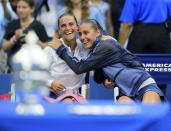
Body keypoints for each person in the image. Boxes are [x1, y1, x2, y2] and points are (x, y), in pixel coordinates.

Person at [49, 19, 164, 104]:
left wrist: (60, 48)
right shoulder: (95, 48)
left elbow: (79, 68)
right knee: (124, 115)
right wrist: (106, 79)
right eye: (80, 34)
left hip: (143, 86)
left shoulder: (107, 45)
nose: (82, 37)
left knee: (148, 114)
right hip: (125, 93)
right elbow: (98, 77)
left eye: (86, 33)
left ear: (98, 32)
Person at [44, 13, 89, 103]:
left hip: (76, 95)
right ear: (59, 31)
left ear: (77, 27)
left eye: (71, 24)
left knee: (68, 101)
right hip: (51, 92)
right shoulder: (50, 49)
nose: (68, 28)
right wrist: (51, 83)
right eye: (63, 26)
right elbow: (37, 73)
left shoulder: (86, 47)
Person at [2, 0, 50, 72]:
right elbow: (4, 48)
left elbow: (46, 48)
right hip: (13, 69)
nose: (21, 10)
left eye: (24, 7)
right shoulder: (12, 24)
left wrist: (34, 40)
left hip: (33, 68)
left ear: (32, 9)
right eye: (19, 7)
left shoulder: (38, 26)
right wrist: (15, 38)